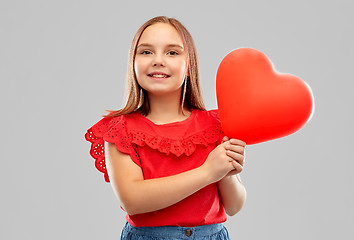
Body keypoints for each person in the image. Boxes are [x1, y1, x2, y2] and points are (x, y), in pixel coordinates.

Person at [85, 16, 246, 240]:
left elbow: (234, 205)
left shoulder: (216, 125)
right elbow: (133, 200)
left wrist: (225, 173)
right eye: (146, 52)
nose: (158, 60)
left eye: (172, 52)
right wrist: (207, 172)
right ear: (133, 63)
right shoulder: (120, 129)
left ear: (189, 66)